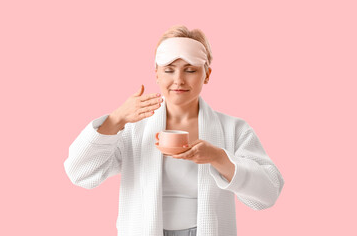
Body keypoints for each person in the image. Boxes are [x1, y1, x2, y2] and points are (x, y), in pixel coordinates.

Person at [64, 25, 284, 236]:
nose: (178, 80)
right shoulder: (133, 129)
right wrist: (116, 119)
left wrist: (217, 157)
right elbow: (79, 172)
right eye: (169, 70)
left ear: (206, 74)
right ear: (157, 74)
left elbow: (268, 192)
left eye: (190, 70)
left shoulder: (233, 129)